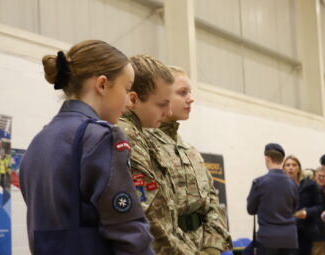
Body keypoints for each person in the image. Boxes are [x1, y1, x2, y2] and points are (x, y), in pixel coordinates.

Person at [19, 40, 154, 254]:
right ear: (102, 85)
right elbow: (128, 232)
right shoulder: (101, 138)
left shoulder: (38, 142)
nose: (128, 102)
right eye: (126, 89)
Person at [145, 66, 232, 254]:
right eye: (182, 92)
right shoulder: (144, 146)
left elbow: (213, 204)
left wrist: (212, 247)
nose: (190, 98)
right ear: (162, 96)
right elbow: (152, 217)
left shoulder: (190, 151)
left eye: (190, 92)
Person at [117, 56, 200, 254]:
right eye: (162, 104)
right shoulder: (127, 136)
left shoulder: (137, 134)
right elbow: (150, 216)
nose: (168, 111)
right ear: (134, 99)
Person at [247, 143, 299, 255]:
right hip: (289, 238)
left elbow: (251, 209)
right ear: (282, 160)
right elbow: (295, 209)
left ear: (267, 158)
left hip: (268, 238)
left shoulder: (259, 182)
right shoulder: (293, 184)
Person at [283, 155, 325, 255]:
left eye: (294, 165)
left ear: (299, 168)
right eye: (288, 165)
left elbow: (320, 206)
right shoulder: (279, 186)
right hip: (285, 230)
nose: (290, 167)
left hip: (304, 231)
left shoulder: (309, 185)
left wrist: (307, 212)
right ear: (284, 168)